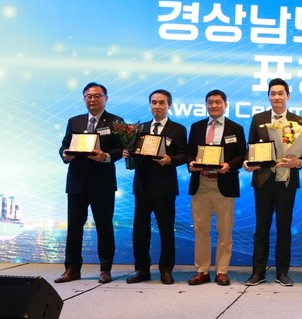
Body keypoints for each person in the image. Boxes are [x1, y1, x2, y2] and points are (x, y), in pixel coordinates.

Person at [56, 82, 124, 284]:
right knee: (74, 227)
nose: (92, 99)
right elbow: (65, 144)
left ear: (105, 98)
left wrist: (105, 156)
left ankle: (105, 269)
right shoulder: (74, 121)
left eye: (97, 96)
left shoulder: (116, 121)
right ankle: (72, 269)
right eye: (89, 96)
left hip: (103, 182)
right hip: (77, 181)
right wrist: (64, 154)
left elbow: (121, 148)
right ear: (84, 98)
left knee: (104, 226)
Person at [244, 78, 302, 287]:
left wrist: (298, 162)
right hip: (263, 180)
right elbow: (251, 147)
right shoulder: (258, 119)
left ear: (288, 96)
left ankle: (282, 272)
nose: (277, 97)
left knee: (284, 228)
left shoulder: (298, 121)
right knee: (261, 228)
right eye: (273, 93)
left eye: (281, 93)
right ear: (269, 96)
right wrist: (248, 162)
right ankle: (258, 272)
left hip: (287, 181)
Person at [123, 89, 187, 285]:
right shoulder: (139, 128)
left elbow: (183, 155)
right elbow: (134, 153)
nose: (157, 106)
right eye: (153, 102)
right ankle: (142, 269)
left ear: (169, 105)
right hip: (142, 186)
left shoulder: (178, 129)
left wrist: (170, 160)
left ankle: (166, 270)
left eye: (161, 102)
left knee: (166, 230)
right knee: (140, 230)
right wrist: (128, 153)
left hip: (165, 186)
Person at [186, 89, 246, 286]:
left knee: (225, 231)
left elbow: (242, 155)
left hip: (225, 184)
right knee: (201, 230)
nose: (213, 105)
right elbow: (189, 151)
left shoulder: (236, 128)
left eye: (217, 102)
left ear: (225, 105)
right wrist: (190, 163)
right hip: (201, 183)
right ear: (206, 105)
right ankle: (202, 270)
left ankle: (222, 271)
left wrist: (229, 165)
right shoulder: (196, 127)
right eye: (210, 102)